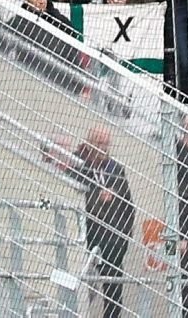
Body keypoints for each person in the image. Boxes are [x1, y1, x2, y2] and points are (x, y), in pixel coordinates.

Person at [43, 128, 135, 318]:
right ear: (89, 143)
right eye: (99, 144)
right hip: (89, 233)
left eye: (106, 144)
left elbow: (128, 206)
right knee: (86, 283)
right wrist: (99, 197)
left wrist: (124, 235)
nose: (103, 149)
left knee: (113, 286)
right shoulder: (77, 164)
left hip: (113, 236)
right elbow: (75, 193)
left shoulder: (115, 168)